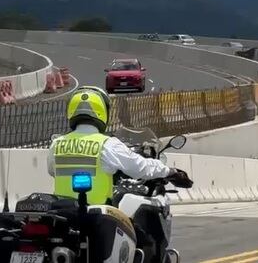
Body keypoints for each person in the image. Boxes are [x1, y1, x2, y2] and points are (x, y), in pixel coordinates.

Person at [48, 86, 190, 206]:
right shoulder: (107, 144)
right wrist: (169, 171)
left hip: (63, 213)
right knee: (133, 234)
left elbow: (52, 171)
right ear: (102, 111)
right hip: (98, 214)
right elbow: (140, 167)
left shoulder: (57, 143)